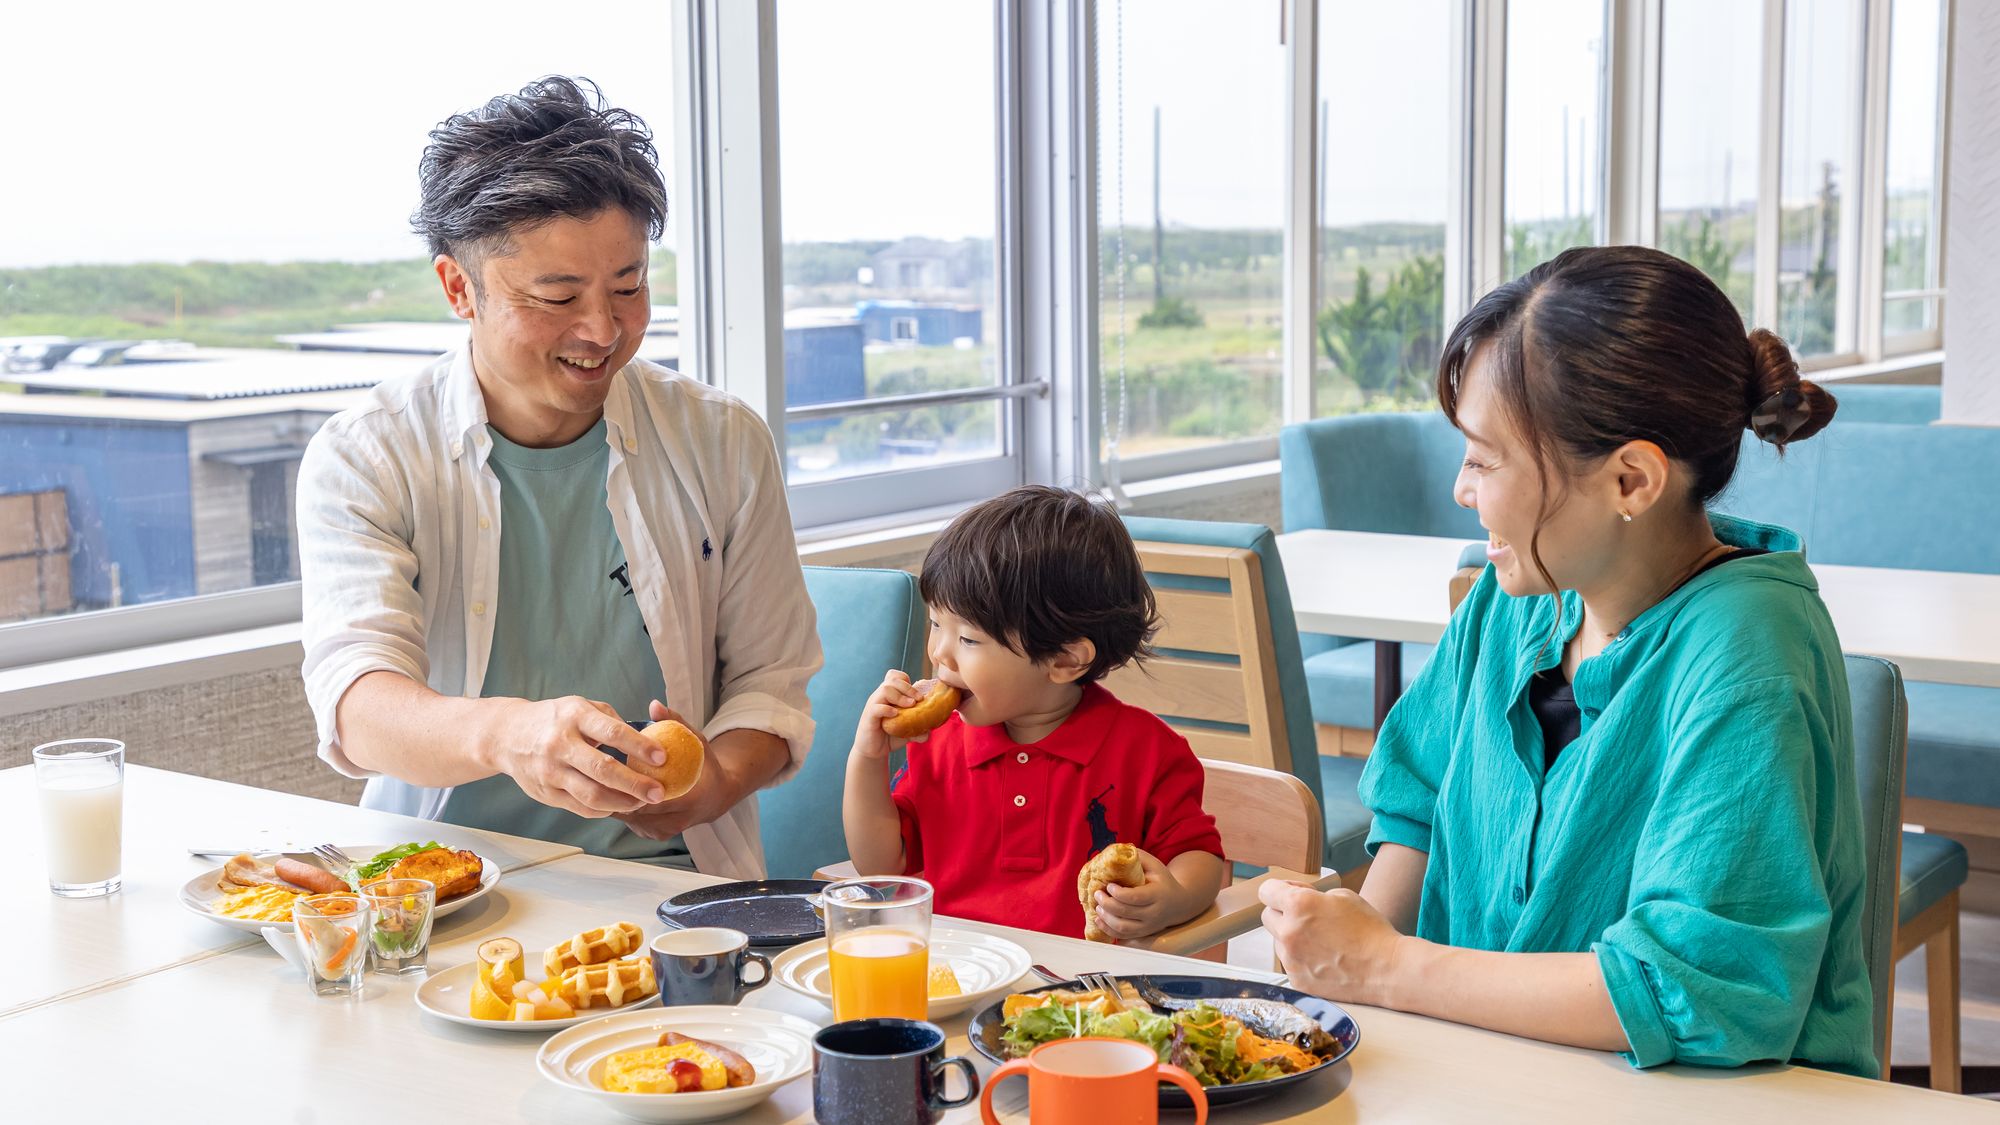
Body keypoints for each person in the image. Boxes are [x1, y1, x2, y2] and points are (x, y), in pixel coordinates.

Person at [1260, 245, 1875, 1076]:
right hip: (1486, 1073)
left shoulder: (1748, 647)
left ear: (1631, 480)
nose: (1462, 490)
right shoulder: (1517, 595)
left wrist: (1384, 966)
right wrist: (1340, 968)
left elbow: (1698, 990)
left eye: (1485, 459)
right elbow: (1419, 801)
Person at [297, 77, 821, 878]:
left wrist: (713, 779)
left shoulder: (722, 442)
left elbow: (770, 685)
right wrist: (508, 733)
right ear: (458, 288)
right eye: (557, 295)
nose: (603, 330)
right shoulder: (369, 454)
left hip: (671, 883)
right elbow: (357, 703)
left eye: (629, 286)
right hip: (440, 885)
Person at [842, 485, 1227, 940]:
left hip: (1084, 988)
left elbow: (1199, 854)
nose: (940, 653)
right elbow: (883, 865)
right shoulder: (938, 742)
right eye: (936, 623)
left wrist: (1175, 898)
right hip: (954, 971)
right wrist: (867, 758)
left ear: (1065, 660)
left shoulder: (1145, 750)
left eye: (969, 639)